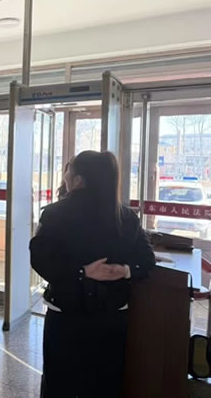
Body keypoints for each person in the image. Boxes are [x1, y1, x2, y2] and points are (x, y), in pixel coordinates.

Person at [30, 151, 155, 398]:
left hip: (65, 314)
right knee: (104, 384)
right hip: (112, 317)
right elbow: (146, 259)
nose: (65, 175)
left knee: (59, 382)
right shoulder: (126, 217)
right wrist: (124, 271)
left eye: (68, 171)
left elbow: (41, 259)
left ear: (78, 180)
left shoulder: (55, 213)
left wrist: (82, 271)